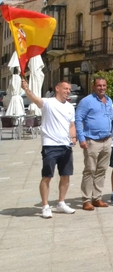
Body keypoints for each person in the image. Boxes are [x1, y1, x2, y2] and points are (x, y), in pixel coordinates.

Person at [21, 79, 77, 218]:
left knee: (66, 175)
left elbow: (71, 125)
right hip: (50, 145)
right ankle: (45, 206)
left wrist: (74, 137)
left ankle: (61, 203)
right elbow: (34, 99)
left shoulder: (70, 107)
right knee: (47, 176)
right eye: (65, 88)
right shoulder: (48, 103)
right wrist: (27, 89)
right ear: (57, 88)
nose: (68, 91)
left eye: (69, 89)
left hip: (66, 146)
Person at [74, 77, 113, 211]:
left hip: (106, 140)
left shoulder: (108, 100)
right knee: (90, 170)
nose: (102, 88)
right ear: (93, 86)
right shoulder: (86, 101)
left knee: (101, 170)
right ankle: (86, 200)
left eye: (104, 85)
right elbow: (78, 120)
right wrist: (81, 138)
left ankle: (97, 198)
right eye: (99, 86)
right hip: (92, 141)